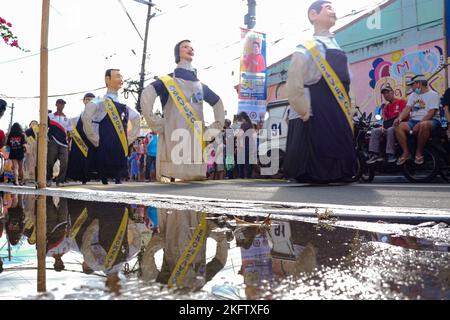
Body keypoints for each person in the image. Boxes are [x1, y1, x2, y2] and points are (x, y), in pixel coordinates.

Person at [286, 1, 356, 183]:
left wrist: (351, 104)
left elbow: (348, 79)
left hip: (339, 105)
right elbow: (294, 81)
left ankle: (341, 172)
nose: (333, 11)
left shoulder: (337, 46)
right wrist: (303, 108)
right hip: (319, 104)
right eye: (328, 7)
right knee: (322, 139)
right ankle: (319, 173)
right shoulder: (307, 46)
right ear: (313, 15)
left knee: (339, 137)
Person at [140, 40, 225, 182]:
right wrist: (158, 123)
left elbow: (217, 103)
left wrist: (211, 131)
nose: (190, 49)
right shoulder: (168, 81)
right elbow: (147, 95)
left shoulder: (200, 85)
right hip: (173, 141)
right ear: (177, 53)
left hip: (196, 148)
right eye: (185, 47)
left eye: (191, 47)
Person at [82, 69, 140, 185]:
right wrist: (94, 138)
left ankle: (118, 177)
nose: (121, 79)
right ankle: (104, 178)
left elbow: (137, 117)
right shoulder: (100, 101)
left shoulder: (123, 103)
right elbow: (86, 116)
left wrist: (129, 139)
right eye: (117, 76)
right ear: (107, 79)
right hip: (105, 143)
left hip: (119, 144)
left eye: (121, 76)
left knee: (119, 167)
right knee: (104, 167)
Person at [394, 74, 441, 165]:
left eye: (413, 84)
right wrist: (399, 118)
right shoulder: (413, 95)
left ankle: (419, 152)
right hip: (413, 121)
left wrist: (419, 124)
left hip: (431, 120)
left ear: (419, 84)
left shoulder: (433, 95)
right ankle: (406, 153)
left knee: (424, 125)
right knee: (399, 126)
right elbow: (407, 109)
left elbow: (431, 113)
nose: (411, 87)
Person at [366, 84, 406, 164]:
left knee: (390, 130)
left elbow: (402, 115)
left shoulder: (401, 102)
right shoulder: (386, 107)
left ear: (392, 92)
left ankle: (391, 154)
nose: (386, 95)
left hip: (400, 126)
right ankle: (375, 154)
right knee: (375, 130)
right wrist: (383, 128)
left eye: (387, 92)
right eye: (384, 93)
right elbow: (385, 120)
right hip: (389, 126)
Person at [67, 93, 96, 184]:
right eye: (87, 99)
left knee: (88, 159)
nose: (88, 101)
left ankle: (87, 177)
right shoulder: (79, 115)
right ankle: (77, 176)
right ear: (83, 101)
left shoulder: (97, 115)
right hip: (79, 139)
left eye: (91, 99)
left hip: (89, 139)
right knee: (78, 158)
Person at [47, 99, 72, 187]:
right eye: (59, 103)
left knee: (64, 162)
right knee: (50, 161)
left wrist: (69, 143)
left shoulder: (67, 118)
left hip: (64, 144)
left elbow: (69, 132)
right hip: (53, 141)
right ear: (56, 104)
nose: (61, 105)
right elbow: (44, 127)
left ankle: (60, 181)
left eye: (63, 104)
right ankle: (48, 179)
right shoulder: (50, 116)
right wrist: (47, 138)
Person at [236, 112, 254, 179]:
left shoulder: (244, 125)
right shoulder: (250, 125)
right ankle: (248, 176)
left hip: (243, 145)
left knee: (241, 162)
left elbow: (239, 135)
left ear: (242, 118)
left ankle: (242, 176)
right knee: (247, 161)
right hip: (249, 145)